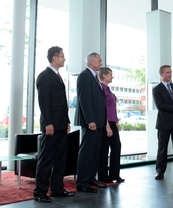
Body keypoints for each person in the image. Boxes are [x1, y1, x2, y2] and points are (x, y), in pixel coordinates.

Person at [33, 46, 75, 203]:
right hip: (51, 126)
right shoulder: (44, 76)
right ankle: (39, 192)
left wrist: (67, 122)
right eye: (62, 56)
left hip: (61, 125)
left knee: (60, 159)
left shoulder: (57, 76)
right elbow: (44, 103)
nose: (64, 59)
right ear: (54, 58)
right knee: (46, 160)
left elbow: (61, 103)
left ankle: (57, 189)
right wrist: (48, 123)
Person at [74, 52, 107, 193]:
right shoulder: (84, 76)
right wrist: (90, 120)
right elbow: (84, 100)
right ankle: (82, 182)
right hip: (91, 122)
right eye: (99, 60)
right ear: (92, 62)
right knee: (86, 152)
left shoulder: (95, 78)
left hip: (98, 122)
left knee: (95, 152)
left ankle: (91, 178)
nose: (101, 63)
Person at [152, 65, 173, 180]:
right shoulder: (156, 89)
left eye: (170, 72)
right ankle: (160, 172)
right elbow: (160, 106)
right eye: (167, 72)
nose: (169, 74)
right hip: (163, 123)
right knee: (162, 148)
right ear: (161, 74)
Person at [97, 66, 125, 183]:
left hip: (113, 122)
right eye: (110, 74)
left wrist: (116, 122)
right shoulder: (101, 89)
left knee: (116, 147)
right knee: (103, 150)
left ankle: (115, 175)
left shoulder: (108, 90)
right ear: (104, 75)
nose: (112, 76)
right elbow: (103, 109)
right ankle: (103, 175)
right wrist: (107, 125)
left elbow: (112, 108)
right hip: (106, 123)